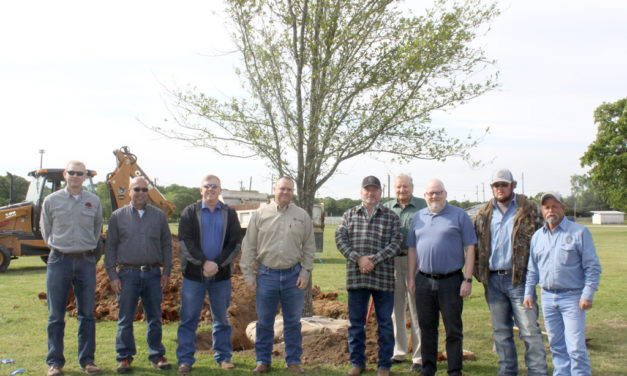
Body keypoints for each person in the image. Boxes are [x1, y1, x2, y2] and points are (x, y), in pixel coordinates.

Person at [473, 169, 548, 376]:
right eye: (496, 185)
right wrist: (480, 275)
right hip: (493, 281)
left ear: (513, 185)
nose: (500, 188)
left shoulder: (530, 210)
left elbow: (545, 240)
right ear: (492, 188)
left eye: (504, 185)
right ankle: (507, 371)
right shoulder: (483, 214)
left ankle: (538, 372)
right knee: (501, 332)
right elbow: (475, 245)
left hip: (520, 281)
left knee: (530, 331)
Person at [240, 176, 315, 375]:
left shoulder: (302, 216)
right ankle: (263, 361)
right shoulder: (260, 214)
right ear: (274, 189)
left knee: (292, 322)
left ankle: (293, 362)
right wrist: (248, 274)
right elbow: (249, 246)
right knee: (264, 322)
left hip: (294, 275)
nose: (285, 192)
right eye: (282, 188)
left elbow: (309, 246)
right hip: (266, 274)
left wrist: (306, 272)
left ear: (293, 192)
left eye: (289, 190)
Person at [524, 192, 601, 376]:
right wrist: (528, 293)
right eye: (547, 207)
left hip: (572, 298)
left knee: (575, 348)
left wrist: (587, 295)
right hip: (548, 298)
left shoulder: (579, 232)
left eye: (555, 206)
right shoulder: (537, 237)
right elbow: (533, 269)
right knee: (556, 346)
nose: (551, 210)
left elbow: (592, 267)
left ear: (563, 209)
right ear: (542, 211)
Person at [407, 178, 476, 376]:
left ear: (445, 194)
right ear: (425, 196)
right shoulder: (418, 217)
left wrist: (468, 279)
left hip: (451, 281)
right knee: (427, 328)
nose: (434, 196)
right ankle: (428, 369)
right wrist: (411, 278)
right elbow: (412, 249)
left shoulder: (459, 215)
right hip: (424, 280)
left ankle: (454, 370)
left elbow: (470, 248)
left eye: (438, 192)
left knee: (453, 329)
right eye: (430, 193)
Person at [40, 160, 103, 376]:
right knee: (56, 315)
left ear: (84, 177)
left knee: (87, 314)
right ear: (65, 175)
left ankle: (87, 361)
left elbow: (97, 230)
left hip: (86, 262)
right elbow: (46, 230)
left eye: (80, 173)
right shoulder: (51, 200)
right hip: (59, 261)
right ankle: (55, 363)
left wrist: (87, 252)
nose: (75, 176)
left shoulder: (94, 201)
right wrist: (60, 248)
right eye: (72, 172)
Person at [105, 177, 173, 373]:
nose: (141, 193)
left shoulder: (158, 216)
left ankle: (157, 355)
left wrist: (166, 271)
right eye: (137, 189)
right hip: (127, 274)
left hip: (152, 274)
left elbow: (167, 245)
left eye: (144, 189)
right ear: (129, 191)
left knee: (154, 318)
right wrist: (112, 275)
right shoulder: (117, 216)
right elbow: (110, 247)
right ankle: (125, 357)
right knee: (125, 318)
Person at [335, 176, 402, 376]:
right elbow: (340, 239)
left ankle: (384, 365)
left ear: (380, 192)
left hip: (383, 279)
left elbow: (396, 243)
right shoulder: (349, 215)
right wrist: (359, 259)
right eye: (367, 190)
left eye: (374, 190)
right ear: (361, 192)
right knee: (356, 324)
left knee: (385, 324)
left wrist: (375, 260)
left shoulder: (391, 216)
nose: (370, 193)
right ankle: (357, 363)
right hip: (357, 278)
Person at [176, 175, 242, 375]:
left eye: (215, 186)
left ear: (220, 190)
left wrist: (217, 264)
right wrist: (204, 263)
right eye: (207, 186)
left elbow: (235, 243)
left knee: (221, 318)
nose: (211, 189)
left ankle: (223, 357)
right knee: (189, 318)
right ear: (201, 190)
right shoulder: (190, 212)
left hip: (220, 277)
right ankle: (186, 360)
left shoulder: (229, 214)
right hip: (194, 276)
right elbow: (185, 242)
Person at [382, 174, 426, 372]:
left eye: (405, 187)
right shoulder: (386, 208)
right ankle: (399, 351)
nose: (402, 190)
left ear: (412, 187)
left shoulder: (423, 206)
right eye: (398, 187)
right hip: (391, 262)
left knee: (416, 309)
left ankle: (419, 356)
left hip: (415, 261)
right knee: (395, 309)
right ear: (394, 189)